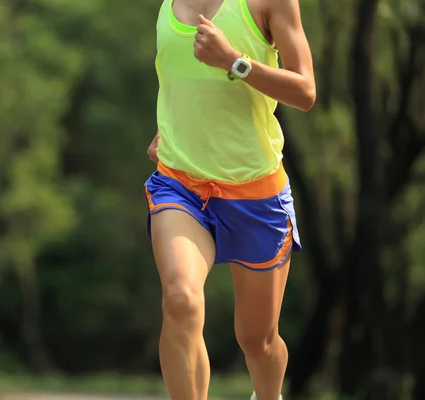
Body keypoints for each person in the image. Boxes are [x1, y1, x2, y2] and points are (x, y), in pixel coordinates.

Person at [144, 0, 315, 399]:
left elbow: (305, 91)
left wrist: (235, 62)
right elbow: (175, 77)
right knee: (181, 299)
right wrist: (167, 127)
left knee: (259, 342)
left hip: (256, 194)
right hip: (181, 184)